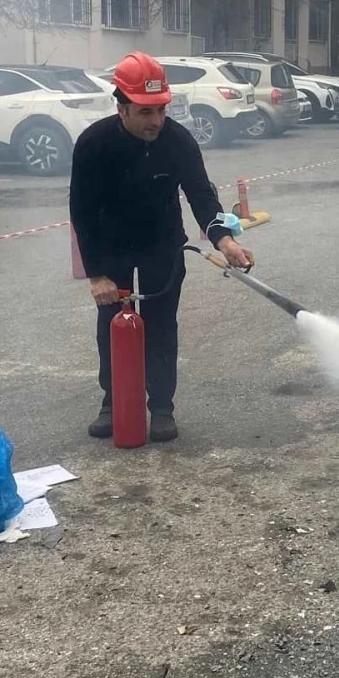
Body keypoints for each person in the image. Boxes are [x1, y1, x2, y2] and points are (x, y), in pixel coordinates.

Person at [69, 52, 254, 443]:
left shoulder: (178, 141)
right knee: (113, 325)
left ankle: (163, 406)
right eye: (145, 112)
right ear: (122, 109)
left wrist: (226, 241)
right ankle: (113, 400)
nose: (156, 120)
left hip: (161, 243)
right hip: (111, 245)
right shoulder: (93, 144)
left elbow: (202, 196)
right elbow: (81, 212)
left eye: (161, 110)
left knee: (161, 325)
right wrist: (97, 274)